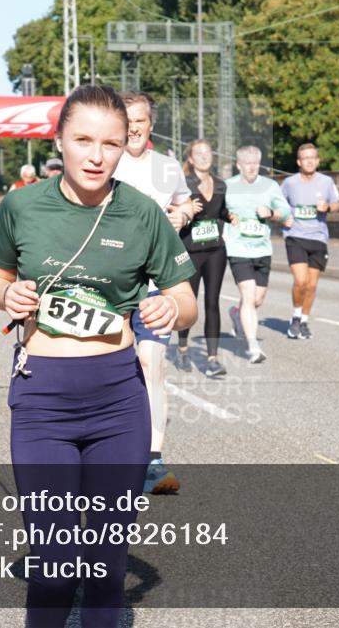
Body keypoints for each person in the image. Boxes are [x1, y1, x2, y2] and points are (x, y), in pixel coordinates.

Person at [0, 85, 196, 628]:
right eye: (83, 140)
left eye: (111, 143)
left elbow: (186, 299)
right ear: (60, 141)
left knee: (105, 568)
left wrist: (173, 307)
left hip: (118, 400)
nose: (97, 156)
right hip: (43, 401)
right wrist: (7, 295)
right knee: (52, 569)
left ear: (127, 146)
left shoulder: (142, 213)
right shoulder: (22, 205)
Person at [111, 90, 195, 494]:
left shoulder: (167, 166)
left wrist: (182, 213)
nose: (134, 127)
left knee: (151, 365)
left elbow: (184, 203)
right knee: (110, 368)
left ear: (150, 124)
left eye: (140, 119)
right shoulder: (107, 162)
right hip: (109, 286)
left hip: (154, 287)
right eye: (127, 120)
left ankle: (153, 461)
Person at [224, 146, 293, 363]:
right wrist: (227, 217)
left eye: (255, 162)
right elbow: (215, 210)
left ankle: (236, 313)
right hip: (238, 248)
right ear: (239, 165)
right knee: (248, 295)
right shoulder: (227, 187)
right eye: (247, 162)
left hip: (262, 249)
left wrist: (271, 213)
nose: (252, 166)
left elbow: (286, 213)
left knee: (257, 299)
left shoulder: (270, 186)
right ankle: (253, 347)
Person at [175, 139, 236, 377]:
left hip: (215, 250)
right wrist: (187, 211)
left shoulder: (221, 184)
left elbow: (219, 211)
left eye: (207, 153)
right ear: (190, 158)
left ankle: (212, 359)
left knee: (212, 302)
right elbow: (175, 212)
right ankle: (182, 350)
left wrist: (230, 216)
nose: (203, 157)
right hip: (190, 251)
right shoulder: (184, 184)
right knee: (188, 302)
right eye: (198, 153)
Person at [281, 143, 339, 339]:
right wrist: (283, 216)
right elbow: (278, 204)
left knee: (312, 285)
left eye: (312, 157)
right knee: (301, 281)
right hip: (295, 236)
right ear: (299, 162)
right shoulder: (289, 183)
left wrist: (328, 207)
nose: (309, 161)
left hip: (318, 237)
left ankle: (304, 321)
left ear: (317, 160)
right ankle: (296, 316)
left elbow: (338, 204)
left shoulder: (326, 182)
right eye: (305, 158)